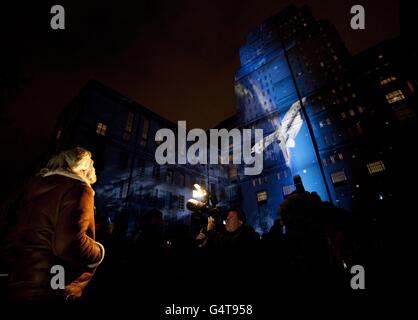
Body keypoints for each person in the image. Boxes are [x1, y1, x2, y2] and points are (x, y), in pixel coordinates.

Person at [7, 147, 105, 301]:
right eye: (91, 164)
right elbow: (67, 245)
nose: (94, 168)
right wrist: (99, 253)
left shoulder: (33, 189)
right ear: (82, 166)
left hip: (19, 279)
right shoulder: (78, 188)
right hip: (53, 284)